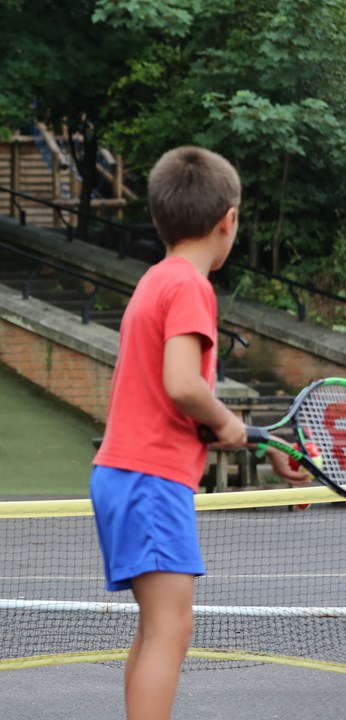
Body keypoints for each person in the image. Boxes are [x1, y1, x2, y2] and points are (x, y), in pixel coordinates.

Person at [89, 146, 308, 720]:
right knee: (172, 628)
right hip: (149, 478)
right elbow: (184, 385)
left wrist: (237, 436)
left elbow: (165, 399)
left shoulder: (156, 280)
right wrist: (227, 419)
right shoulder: (190, 286)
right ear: (228, 221)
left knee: (157, 627)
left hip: (125, 474)